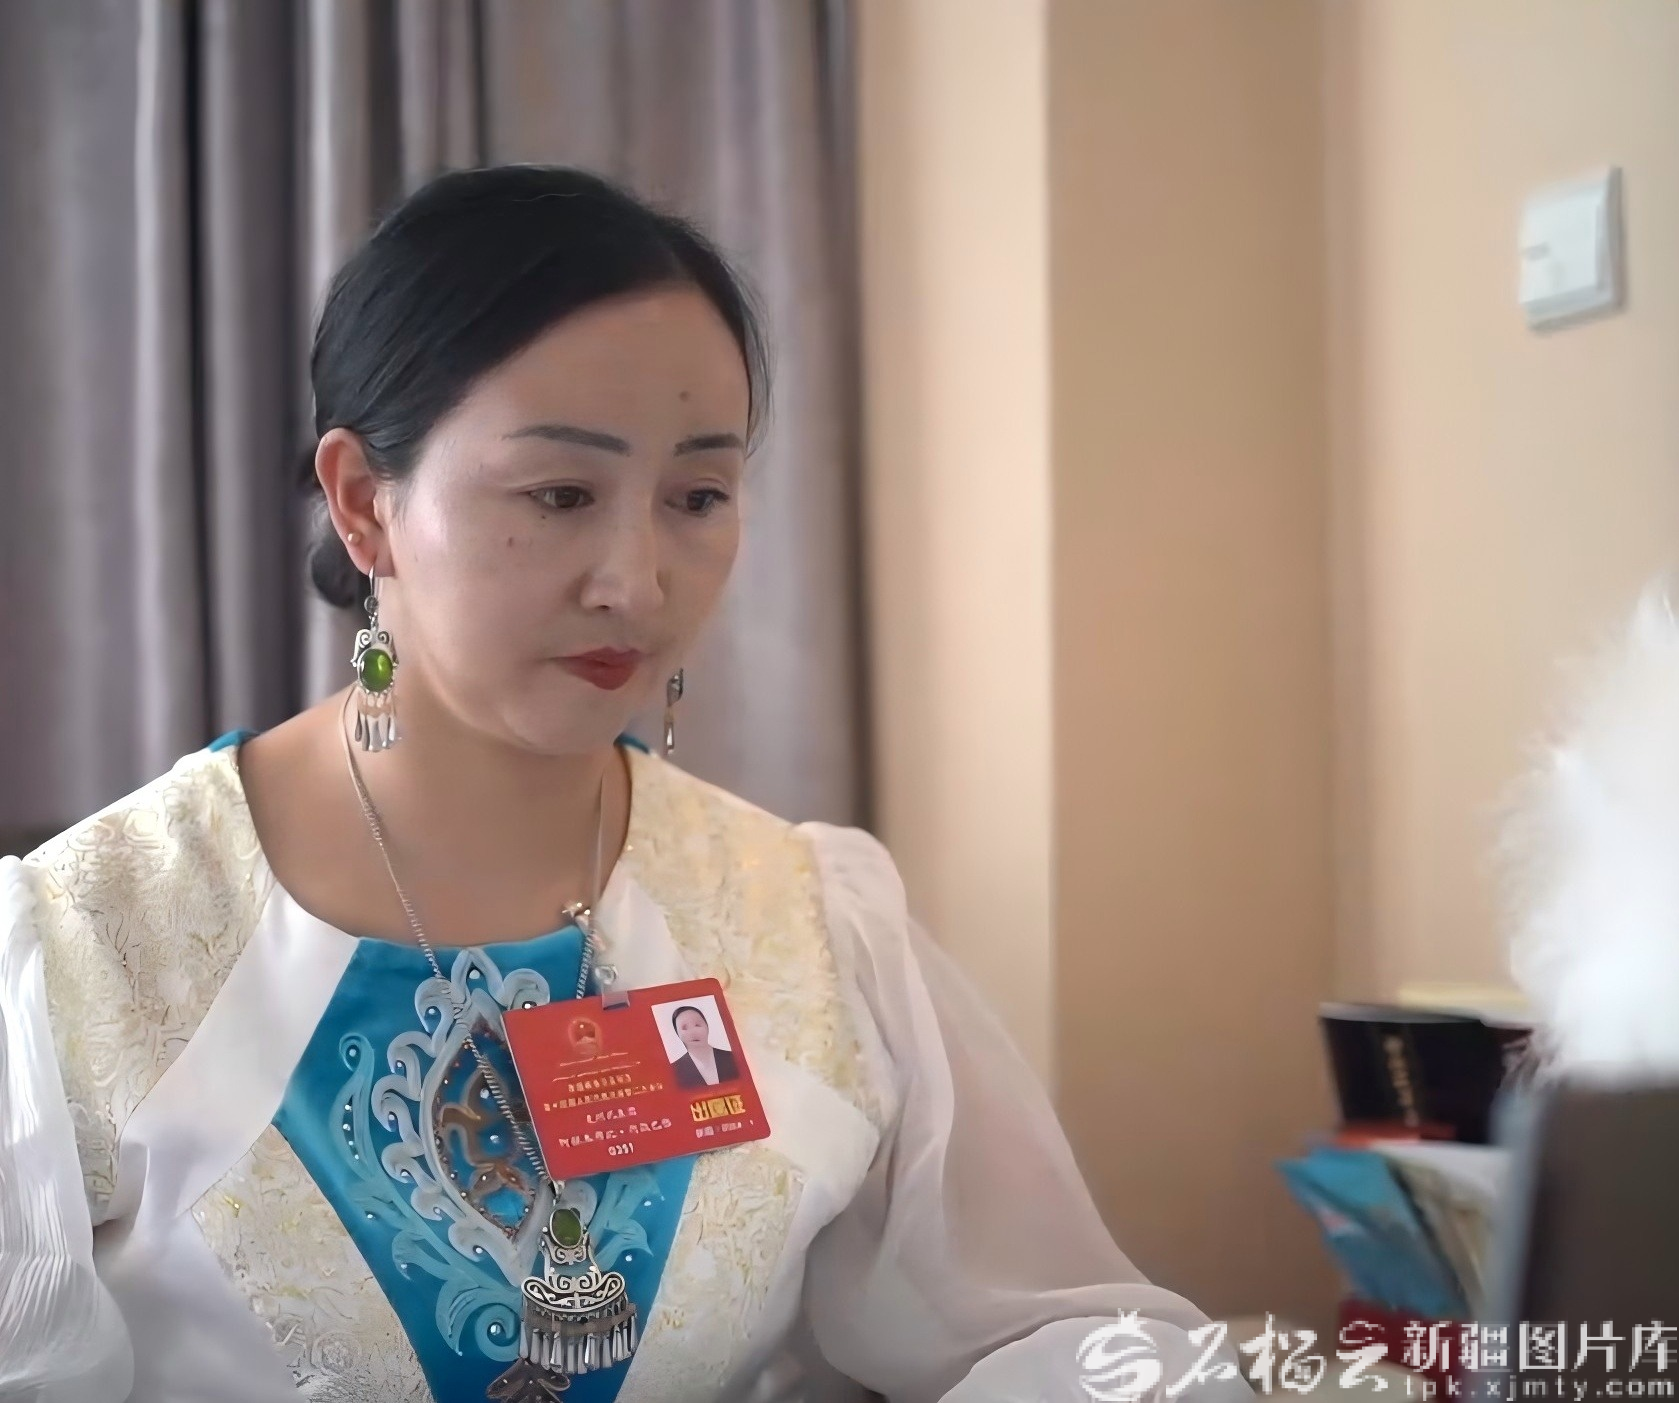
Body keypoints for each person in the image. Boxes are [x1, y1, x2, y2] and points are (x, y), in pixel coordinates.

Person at [0, 166, 1247, 1403]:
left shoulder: (807, 924)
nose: (637, 581)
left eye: (697, 495)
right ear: (365, 503)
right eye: (559, 494)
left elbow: (1052, 1329)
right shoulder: (92, 947)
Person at [668, 1004, 740, 1088]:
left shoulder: (733, 1057)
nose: (693, 1032)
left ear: (707, 1027)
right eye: (684, 1028)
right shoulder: (674, 1071)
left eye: (697, 1025)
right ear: (678, 1034)